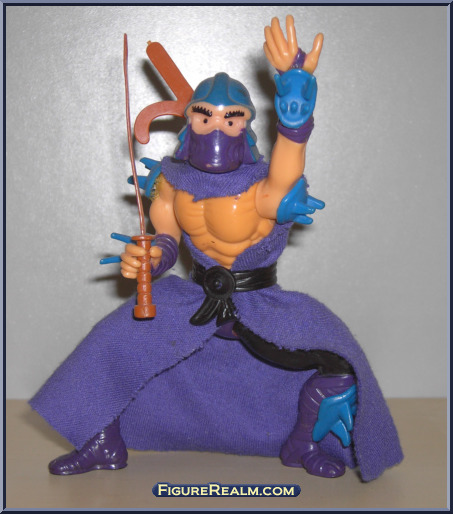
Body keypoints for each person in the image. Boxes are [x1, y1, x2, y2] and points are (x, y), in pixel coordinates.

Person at [30, 16, 403, 481]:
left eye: (230, 118)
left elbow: (288, 167)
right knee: (111, 341)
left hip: (260, 302)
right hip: (193, 297)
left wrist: (295, 102)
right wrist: (149, 259)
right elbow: (166, 241)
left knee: (339, 361)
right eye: (205, 116)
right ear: (189, 119)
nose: (217, 128)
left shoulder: (260, 188)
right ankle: (102, 441)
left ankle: (303, 442)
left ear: (245, 123)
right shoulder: (171, 183)